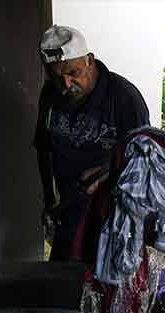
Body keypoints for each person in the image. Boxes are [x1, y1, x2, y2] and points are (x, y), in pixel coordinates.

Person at [34, 25, 151, 261]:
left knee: (107, 282)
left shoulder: (124, 97)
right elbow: (44, 148)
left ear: (89, 60)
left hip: (113, 213)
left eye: (73, 73)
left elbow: (146, 158)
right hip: (69, 209)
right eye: (56, 76)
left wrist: (114, 166)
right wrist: (49, 199)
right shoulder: (50, 94)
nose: (66, 84)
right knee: (64, 281)